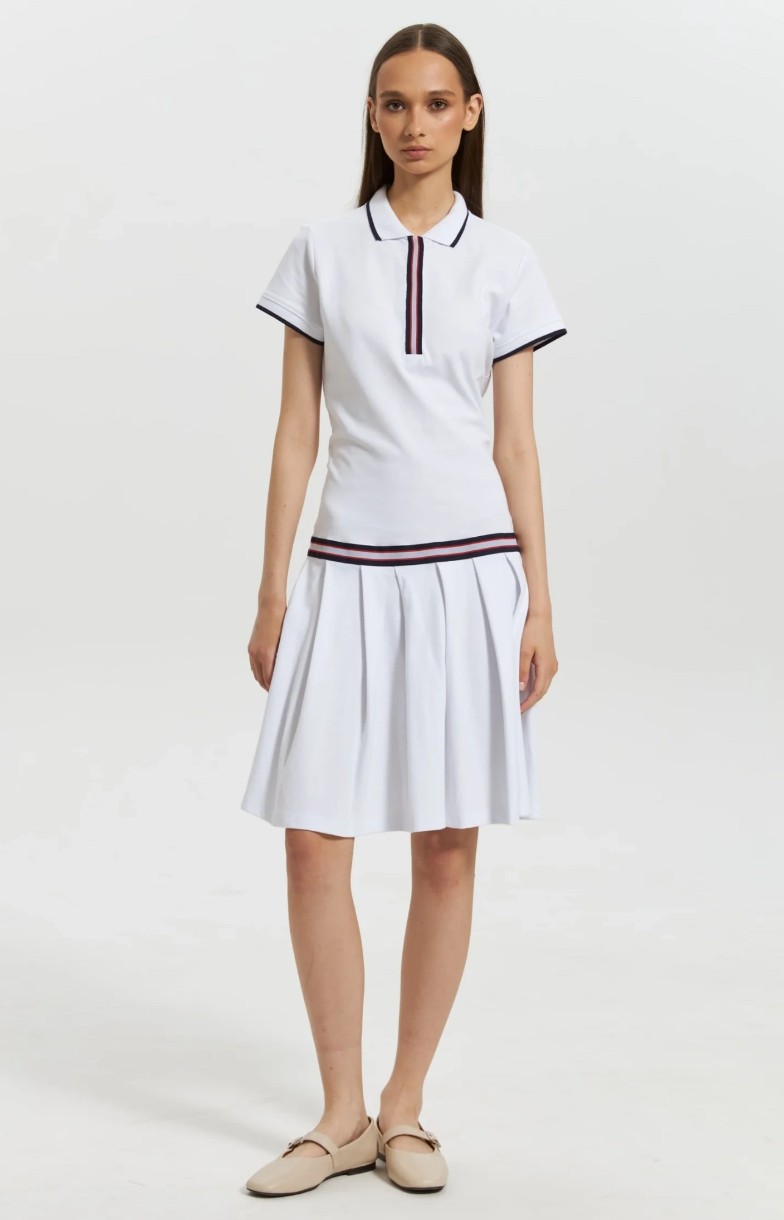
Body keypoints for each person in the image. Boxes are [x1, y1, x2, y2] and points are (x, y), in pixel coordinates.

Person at [241, 22, 567, 1198]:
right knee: (313, 839)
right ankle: (338, 1114)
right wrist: (273, 587)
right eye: (393, 103)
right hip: (344, 571)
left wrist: (540, 601)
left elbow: (515, 441)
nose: (413, 123)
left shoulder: (505, 261)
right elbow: (297, 430)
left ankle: (405, 1106)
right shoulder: (323, 251)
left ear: (469, 112)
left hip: (468, 576)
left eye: (435, 102)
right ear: (372, 116)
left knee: (446, 842)